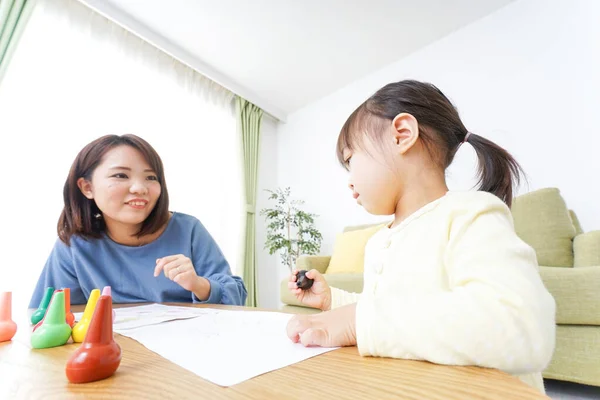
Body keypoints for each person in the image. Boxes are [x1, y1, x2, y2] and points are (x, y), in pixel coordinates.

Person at [285, 80, 555, 394]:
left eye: (350, 160)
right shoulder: (378, 241)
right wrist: (337, 302)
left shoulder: (470, 213)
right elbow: (394, 309)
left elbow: (520, 327)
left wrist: (358, 321)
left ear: (402, 134)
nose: (349, 180)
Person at [29, 134, 246, 308]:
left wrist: (199, 285)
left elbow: (236, 297)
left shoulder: (188, 230)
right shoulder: (75, 244)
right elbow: (49, 315)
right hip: (117, 355)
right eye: (121, 176)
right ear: (87, 187)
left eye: (151, 177)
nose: (140, 188)